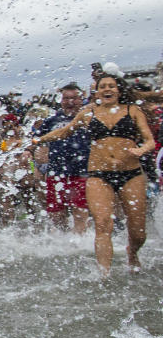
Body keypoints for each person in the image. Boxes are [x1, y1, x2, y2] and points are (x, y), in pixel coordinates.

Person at [36, 74, 156, 274]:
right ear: (97, 92)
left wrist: (141, 150)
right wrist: (37, 141)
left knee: (138, 232)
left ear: (119, 90)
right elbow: (65, 131)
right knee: (102, 224)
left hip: (131, 173)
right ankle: (104, 275)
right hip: (98, 174)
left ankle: (132, 251)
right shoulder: (88, 112)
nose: (107, 89)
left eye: (111, 86)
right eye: (103, 87)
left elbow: (150, 140)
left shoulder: (132, 110)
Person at [32, 83, 90, 233]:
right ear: (61, 100)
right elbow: (36, 141)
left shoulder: (89, 119)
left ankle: (80, 243)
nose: (70, 101)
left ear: (81, 99)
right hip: (56, 171)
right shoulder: (52, 121)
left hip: (82, 171)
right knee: (56, 214)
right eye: (66, 98)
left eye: (74, 98)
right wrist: (36, 162)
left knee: (80, 211)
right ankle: (63, 243)